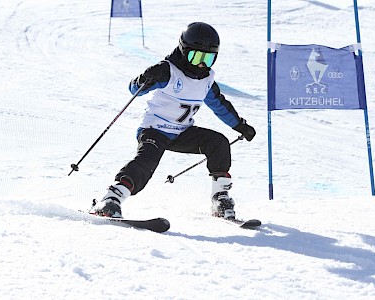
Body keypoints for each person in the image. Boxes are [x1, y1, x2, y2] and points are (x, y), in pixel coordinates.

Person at [93, 22, 256, 220]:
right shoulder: (168, 71)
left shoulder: (206, 80)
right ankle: (112, 199)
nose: (201, 64)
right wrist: (145, 79)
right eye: (195, 56)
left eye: (208, 58)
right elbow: (134, 89)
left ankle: (220, 199)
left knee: (218, 143)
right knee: (147, 161)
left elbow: (220, 106)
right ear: (183, 50)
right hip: (155, 129)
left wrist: (239, 125)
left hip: (182, 133)